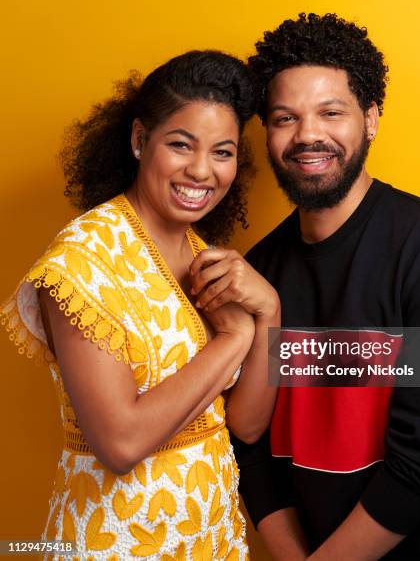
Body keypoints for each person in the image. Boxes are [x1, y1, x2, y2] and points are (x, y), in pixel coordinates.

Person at [231, 14, 420, 560]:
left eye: (330, 112)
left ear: (372, 118)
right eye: (285, 117)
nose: (308, 133)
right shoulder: (257, 271)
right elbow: (250, 449)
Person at [0, 50, 280, 559]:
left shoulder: (201, 253)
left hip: (207, 536)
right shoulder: (83, 261)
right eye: (180, 144)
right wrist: (236, 337)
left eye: (223, 152)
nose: (202, 170)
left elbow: (246, 423)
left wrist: (271, 314)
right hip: (119, 540)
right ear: (138, 140)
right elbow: (120, 444)